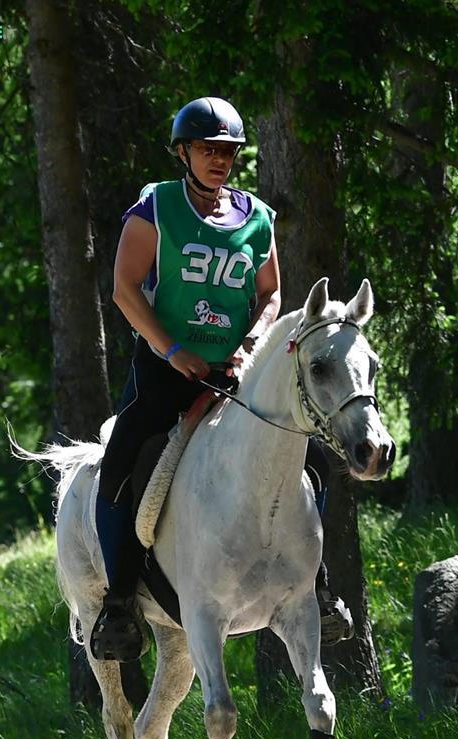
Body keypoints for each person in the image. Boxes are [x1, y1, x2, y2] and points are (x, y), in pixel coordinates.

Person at [90, 96, 353, 662]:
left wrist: (253, 344)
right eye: (208, 150)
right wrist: (172, 349)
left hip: (236, 371)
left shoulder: (257, 216)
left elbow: (270, 293)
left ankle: (319, 588)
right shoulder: (154, 208)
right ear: (183, 152)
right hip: (167, 369)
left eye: (229, 151)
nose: (220, 160)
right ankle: (118, 603)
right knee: (125, 456)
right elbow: (124, 290)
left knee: (309, 457)